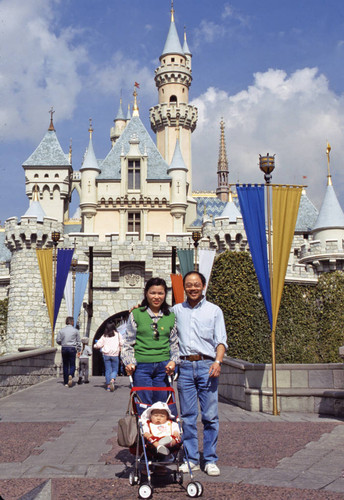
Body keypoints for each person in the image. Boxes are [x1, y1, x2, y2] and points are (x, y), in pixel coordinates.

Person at [173, 271, 227, 477]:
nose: (193, 288)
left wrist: (218, 361)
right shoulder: (176, 310)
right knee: (187, 417)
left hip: (208, 366)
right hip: (185, 367)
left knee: (210, 416)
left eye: (196, 284)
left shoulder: (214, 311)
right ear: (184, 287)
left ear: (203, 286)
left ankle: (211, 459)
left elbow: (221, 340)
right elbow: (156, 317)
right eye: (189, 285)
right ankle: (191, 458)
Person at [121, 277, 179, 404]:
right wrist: (129, 362)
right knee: (143, 404)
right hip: (141, 366)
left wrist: (173, 362)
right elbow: (128, 342)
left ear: (165, 295)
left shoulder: (170, 316)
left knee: (162, 407)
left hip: (164, 367)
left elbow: (174, 343)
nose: (156, 297)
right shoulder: (136, 314)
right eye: (153, 293)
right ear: (146, 293)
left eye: (160, 293)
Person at [94, 321, 123, 391]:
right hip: (115, 355)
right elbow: (122, 343)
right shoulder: (118, 334)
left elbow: (98, 344)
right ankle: (112, 379)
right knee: (115, 369)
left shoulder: (104, 335)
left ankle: (108, 386)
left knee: (107, 370)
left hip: (106, 355)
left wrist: (95, 345)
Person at [56, 316, 82, 388]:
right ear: (72, 322)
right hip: (72, 348)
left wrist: (63, 343)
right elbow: (78, 341)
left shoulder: (61, 331)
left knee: (65, 365)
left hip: (64, 348)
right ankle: (71, 374)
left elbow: (58, 340)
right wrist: (79, 349)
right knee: (72, 364)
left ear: (66, 322)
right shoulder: (75, 331)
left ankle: (66, 382)